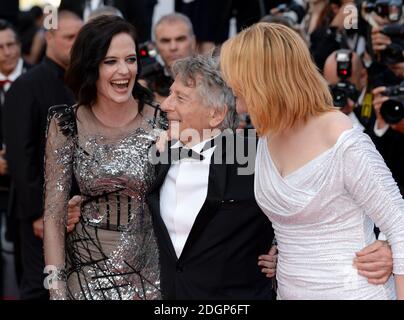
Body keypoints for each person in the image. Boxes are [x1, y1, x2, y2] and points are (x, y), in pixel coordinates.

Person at [67, 54, 394, 299]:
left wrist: (385, 243)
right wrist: (80, 206)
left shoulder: (259, 151)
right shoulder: (156, 153)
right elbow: (115, 193)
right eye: (170, 94)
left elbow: (327, 194)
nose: (165, 105)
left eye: (180, 98)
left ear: (217, 113)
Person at [220, 22, 404, 300]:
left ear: (265, 85)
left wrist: (388, 248)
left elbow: (399, 224)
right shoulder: (266, 136)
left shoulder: (338, 136)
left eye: (241, 93)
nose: (240, 107)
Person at [43, 15, 162, 300]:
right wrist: (55, 289)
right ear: (90, 66)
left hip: (150, 277)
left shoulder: (163, 122)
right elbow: (53, 213)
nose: (124, 71)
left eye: (130, 59)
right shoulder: (65, 122)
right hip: (84, 276)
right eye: (110, 61)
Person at [2, 10, 83, 300]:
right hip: (39, 216)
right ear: (49, 37)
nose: (77, 43)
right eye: (69, 37)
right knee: (41, 288)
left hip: (78, 211)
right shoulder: (27, 86)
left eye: (81, 37)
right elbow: (21, 159)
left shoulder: (84, 82)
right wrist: (39, 214)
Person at [140, 13, 196, 103]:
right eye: (165, 41)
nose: (173, 47)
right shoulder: (145, 81)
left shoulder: (213, 79)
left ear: (193, 42)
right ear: (156, 46)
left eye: (180, 39)